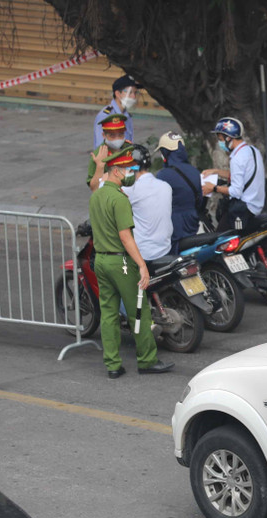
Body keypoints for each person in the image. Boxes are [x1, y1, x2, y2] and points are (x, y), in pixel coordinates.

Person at [89, 147, 173, 378]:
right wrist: (142, 265)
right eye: (127, 169)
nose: (131, 173)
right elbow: (126, 237)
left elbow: (94, 186)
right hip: (121, 263)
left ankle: (113, 365)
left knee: (108, 314)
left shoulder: (97, 195)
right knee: (139, 311)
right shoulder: (119, 199)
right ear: (116, 171)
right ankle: (147, 360)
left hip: (101, 262)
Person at [202, 117, 265, 233]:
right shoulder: (252, 150)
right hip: (256, 204)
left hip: (244, 208)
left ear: (228, 137)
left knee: (220, 241)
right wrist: (215, 171)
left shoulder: (237, 158)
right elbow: (241, 175)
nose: (219, 142)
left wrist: (214, 188)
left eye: (220, 138)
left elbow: (236, 191)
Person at [122, 144, 174, 261]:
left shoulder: (132, 189)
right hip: (165, 248)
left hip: (143, 253)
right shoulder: (165, 186)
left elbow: (104, 192)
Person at [155, 131, 204, 253]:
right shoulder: (194, 171)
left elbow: (157, 204)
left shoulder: (163, 175)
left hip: (174, 224)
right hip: (193, 221)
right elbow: (200, 200)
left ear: (166, 152)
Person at [87, 113, 132, 192]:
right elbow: (94, 188)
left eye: (120, 134)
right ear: (104, 135)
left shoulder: (129, 148)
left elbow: (139, 172)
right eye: (112, 135)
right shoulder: (98, 154)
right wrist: (99, 166)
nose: (117, 139)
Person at [92, 75, 139, 149]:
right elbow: (100, 147)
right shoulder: (106, 116)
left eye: (135, 93)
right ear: (117, 94)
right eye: (130, 93)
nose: (133, 97)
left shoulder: (127, 116)